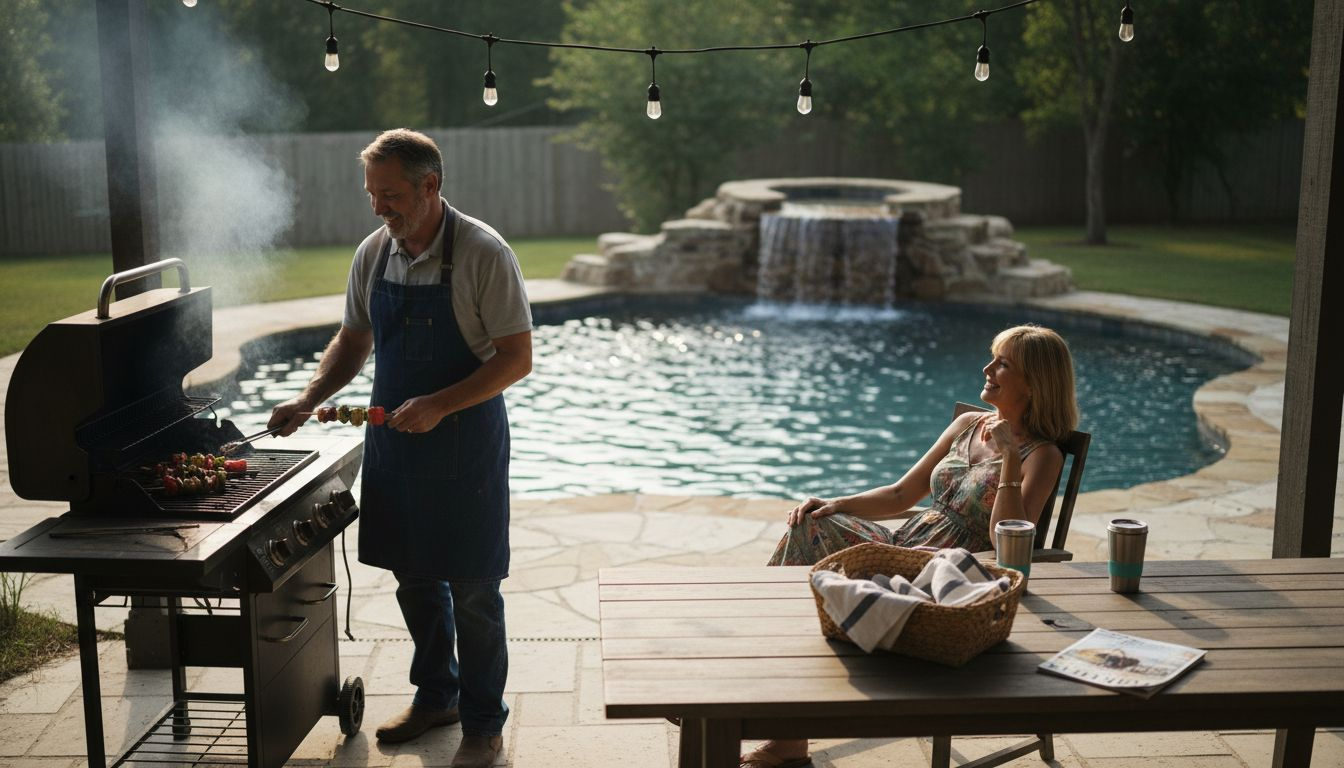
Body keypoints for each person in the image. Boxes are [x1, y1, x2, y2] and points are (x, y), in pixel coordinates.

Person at [268, 129, 532, 768]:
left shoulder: (482, 253)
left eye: (390, 195)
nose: (379, 207)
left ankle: (482, 721)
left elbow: (516, 359)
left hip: (466, 443)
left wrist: (441, 403)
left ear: (430, 187)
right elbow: (353, 342)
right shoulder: (373, 254)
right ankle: (436, 696)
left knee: (472, 587)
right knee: (414, 578)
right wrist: (308, 398)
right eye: (372, 194)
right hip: (395, 445)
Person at [740, 323, 1078, 768]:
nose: (988, 368)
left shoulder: (1042, 455)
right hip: (905, 542)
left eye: (1003, 364)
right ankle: (764, 666)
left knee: (832, 580)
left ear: (1034, 384)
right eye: (992, 357)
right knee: (811, 526)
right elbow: (903, 494)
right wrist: (836, 503)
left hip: (952, 569)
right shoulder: (967, 424)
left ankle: (773, 717)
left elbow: (1006, 538)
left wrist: (1009, 459)